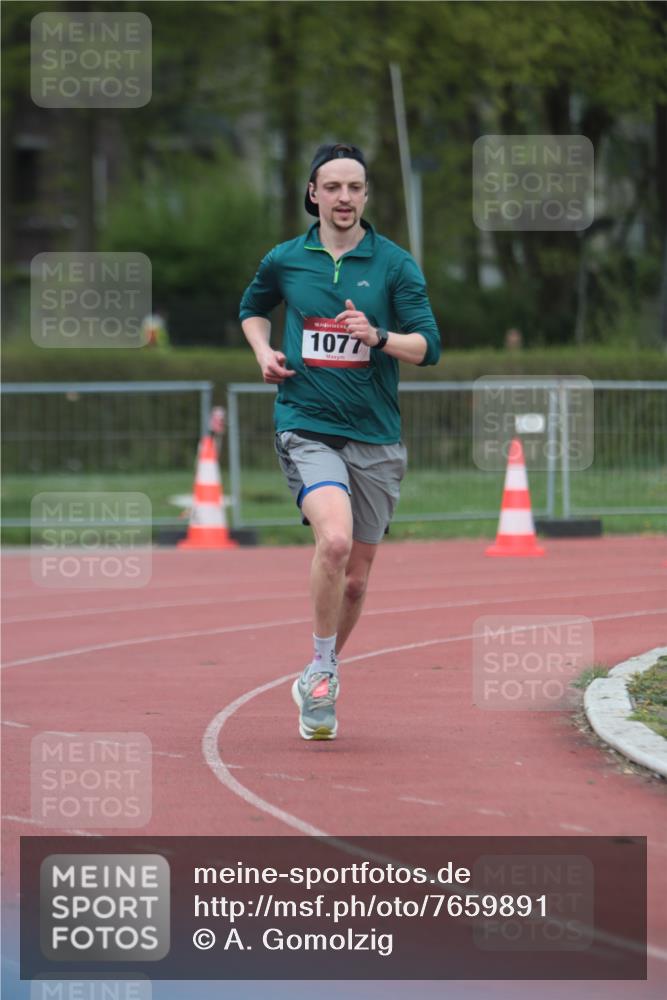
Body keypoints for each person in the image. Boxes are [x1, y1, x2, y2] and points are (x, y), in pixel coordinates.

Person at [239, 142, 441, 741]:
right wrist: (263, 351)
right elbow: (252, 308)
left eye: (355, 188)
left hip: (376, 436)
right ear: (313, 194)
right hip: (306, 424)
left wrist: (378, 335)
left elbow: (429, 347)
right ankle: (325, 672)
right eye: (333, 187)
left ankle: (317, 667)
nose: (344, 198)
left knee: (355, 577)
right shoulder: (287, 258)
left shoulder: (395, 264)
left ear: (366, 196)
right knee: (333, 541)